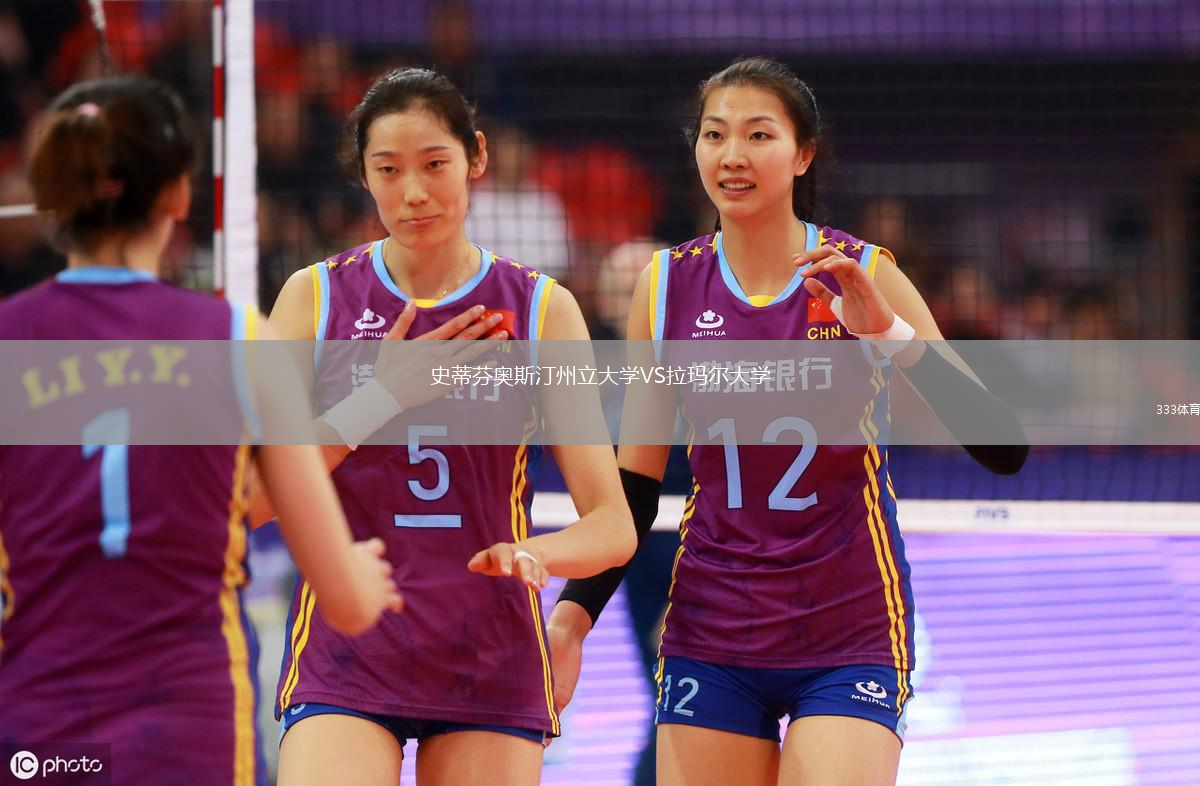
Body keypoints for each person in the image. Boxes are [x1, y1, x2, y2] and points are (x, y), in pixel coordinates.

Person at [548, 56, 1027, 786]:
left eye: (759, 135)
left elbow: (1002, 446)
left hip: (849, 625)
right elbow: (635, 491)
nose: (733, 155)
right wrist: (571, 618)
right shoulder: (665, 283)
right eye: (715, 135)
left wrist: (887, 331)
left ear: (803, 155)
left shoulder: (863, 271)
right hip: (713, 624)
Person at [0, 75, 401, 786]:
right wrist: (364, 578)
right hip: (189, 729)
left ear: (53, 196)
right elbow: (343, 598)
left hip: (42, 730)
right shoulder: (237, 338)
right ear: (180, 197)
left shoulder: (9, 340)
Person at [264, 67, 635, 786]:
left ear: (476, 158)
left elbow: (612, 524)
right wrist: (379, 397)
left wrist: (536, 553)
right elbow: (251, 497)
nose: (413, 191)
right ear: (363, 175)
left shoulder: (541, 310)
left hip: (489, 649)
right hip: (350, 645)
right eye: (388, 169)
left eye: (434, 164)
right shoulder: (314, 299)